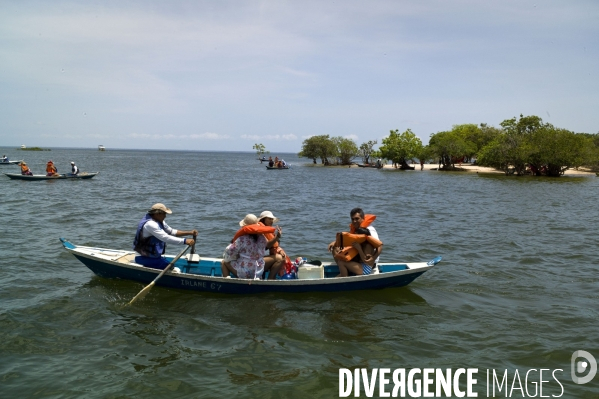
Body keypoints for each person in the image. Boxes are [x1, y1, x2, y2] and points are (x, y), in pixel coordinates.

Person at [133, 203, 198, 271]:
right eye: (164, 214)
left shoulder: (159, 221)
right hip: (143, 257)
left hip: (152, 256)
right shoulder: (150, 224)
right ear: (157, 214)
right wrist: (185, 241)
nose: (165, 216)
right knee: (173, 269)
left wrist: (189, 232)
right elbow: (165, 237)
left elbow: (171, 231)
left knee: (171, 266)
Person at [328, 208, 383, 277]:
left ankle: (345, 273)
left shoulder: (369, 230)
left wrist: (373, 258)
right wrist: (335, 242)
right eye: (352, 219)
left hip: (368, 261)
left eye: (357, 219)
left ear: (363, 218)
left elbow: (380, 246)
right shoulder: (356, 228)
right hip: (360, 257)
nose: (354, 221)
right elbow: (349, 238)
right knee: (335, 248)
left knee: (342, 262)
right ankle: (346, 269)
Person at [221, 214, 269, 279]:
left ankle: (227, 283)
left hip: (245, 272)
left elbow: (229, 251)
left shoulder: (242, 239)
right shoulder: (262, 238)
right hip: (258, 271)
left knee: (224, 262)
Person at [258, 211, 285, 279]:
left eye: (272, 219)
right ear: (263, 219)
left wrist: (279, 250)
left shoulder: (268, 231)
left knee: (280, 257)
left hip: (257, 258)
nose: (271, 221)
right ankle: (271, 279)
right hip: (256, 261)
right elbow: (268, 245)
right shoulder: (260, 232)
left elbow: (273, 246)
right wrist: (277, 237)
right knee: (280, 259)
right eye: (269, 219)